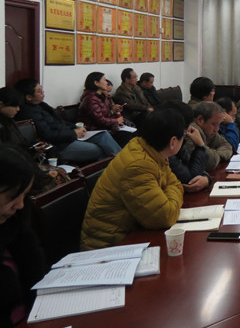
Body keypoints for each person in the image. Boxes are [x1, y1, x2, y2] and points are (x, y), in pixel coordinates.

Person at [80, 108, 185, 251]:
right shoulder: (139, 165)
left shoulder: (147, 149)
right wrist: (173, 193)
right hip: (108, 249)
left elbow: (173, 183)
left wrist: (170, 193)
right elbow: (164, 217)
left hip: (129, 237)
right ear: (173, 142)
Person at [14, 79, 121, 166]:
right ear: (29, 97)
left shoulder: (42, 105)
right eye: (39, 91)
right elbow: (48, 134)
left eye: (41, 89)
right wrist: (73, 133)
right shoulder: (28, 112)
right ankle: (119, 167)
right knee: (101, 149)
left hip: (68, 137)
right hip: (60, 145)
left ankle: (123, 163)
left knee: (103, 135)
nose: (43, 93)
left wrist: (75, 128)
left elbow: (60, 122)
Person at [0, 145, 47, 328]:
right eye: (12, 197)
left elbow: (35, 269)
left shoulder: (15, 221)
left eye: (25, 195)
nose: (19, 205)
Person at [161, 101, 212, 193]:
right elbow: (191, 179)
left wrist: (206, 179)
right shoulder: (165, 148)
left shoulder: (176, 142)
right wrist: (200, 146)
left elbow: (195, 170)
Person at [183, 101, 232, 172]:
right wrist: (214, 155)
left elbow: (227, 146)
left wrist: (216, 155)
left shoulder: (208, 131)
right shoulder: (190, 133)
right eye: (214, 124)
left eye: (219, 124)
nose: (217, 129)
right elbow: (210, 163)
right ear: (200, 120)